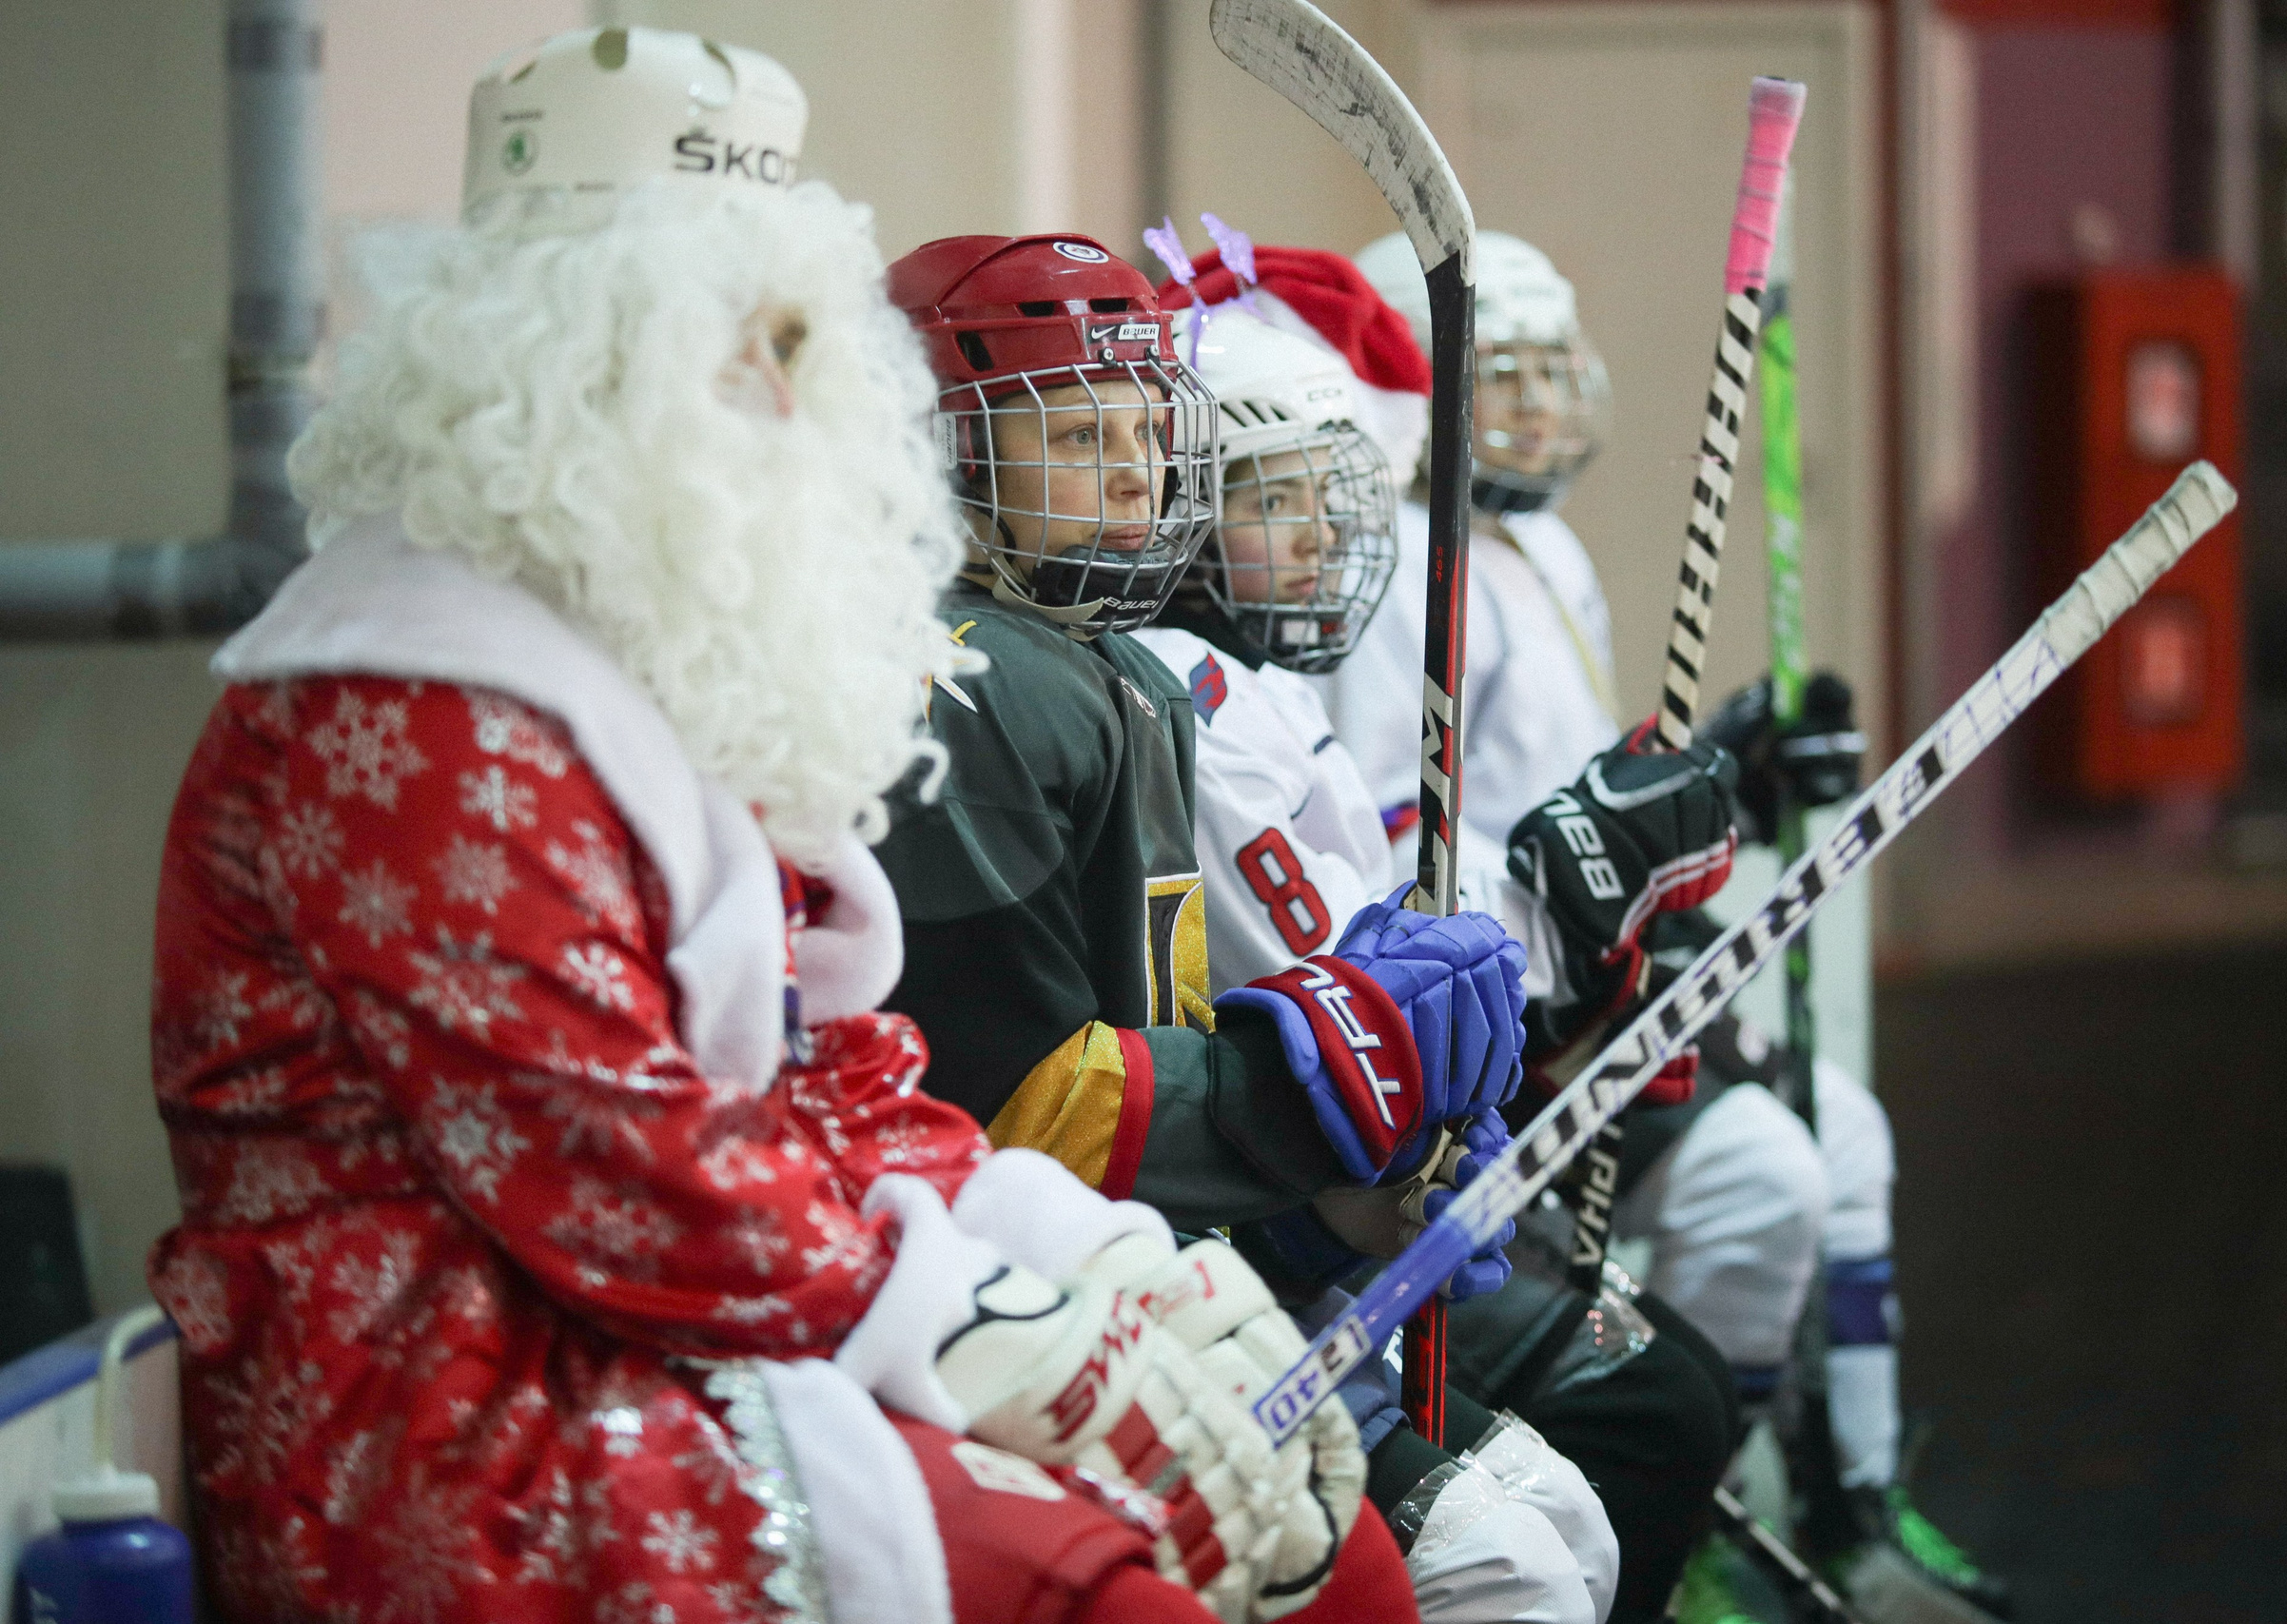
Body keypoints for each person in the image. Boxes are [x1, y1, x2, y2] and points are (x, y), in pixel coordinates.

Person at [145, 28, 1389, 1624]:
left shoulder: (640, 652)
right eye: (751, 341)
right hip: (463, 1416)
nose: (798, 402)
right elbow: (627, 1167)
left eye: (809, 341)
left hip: (698, 1315)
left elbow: (822, 1067)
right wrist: (1015, 1341)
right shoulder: (399, 710)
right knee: (1114, 1594)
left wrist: (1096, 1270)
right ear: (565, 368)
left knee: (1327, 1560)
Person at [1317, 227, 2008, 1622]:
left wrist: (1723, 778)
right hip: (1511, 1018)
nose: (1533, 407)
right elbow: (1420, 851)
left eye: (1547, 372)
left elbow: (1578, 788)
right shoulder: (1395, 569)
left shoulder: (1543, 546)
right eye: (1494, 376)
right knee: (1768, 1180)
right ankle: (1686, 1520)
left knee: (1846, 1138)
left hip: (1593, 972)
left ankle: (1842, 1493)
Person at [871, 232, 1564, 1619]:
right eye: (1076, 434)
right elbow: (1015, 1094)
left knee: (1538, 1535)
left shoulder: (1113, 664)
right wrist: (1318, 1096)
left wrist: (1329, 1203)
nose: (1136, 472)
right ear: (934, 455)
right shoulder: (964, 679)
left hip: (1138, 1247)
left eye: (1145, 428)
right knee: (1499, 1567)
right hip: (994, 1282)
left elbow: (1148, 1026)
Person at [1136, 247, 1762, 1624]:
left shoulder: (1264, 672)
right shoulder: (1194, 698)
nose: (1316, 541)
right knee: (1639, 1415)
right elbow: (1357, 967)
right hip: (1280, 1205)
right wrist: (1552, 891)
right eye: (1274, 501)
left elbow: (1398, 881)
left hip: (1369, 1158)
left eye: (1326, 498)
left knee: (1672, 1384)